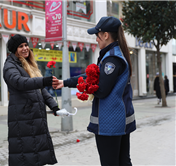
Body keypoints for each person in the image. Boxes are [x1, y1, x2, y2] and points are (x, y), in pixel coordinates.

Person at [55, 16, 136, 165]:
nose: (96, 39)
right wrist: (65, 82)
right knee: (123, 161)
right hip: (117, 121)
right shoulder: (113, 55)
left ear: (106, 35)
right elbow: (95, 78)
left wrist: (89, 89)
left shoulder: (112, 60)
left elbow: (101, 89)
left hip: (110, 124)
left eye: (97, 36)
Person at [3, 34, 60, 166]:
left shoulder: (28, 64)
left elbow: (41, 90)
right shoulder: (10, 66)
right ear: (14, 50)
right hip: (23, 119)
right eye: (20, 46)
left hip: (34, 118)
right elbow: (20, 82)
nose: (25, 48)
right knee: (26, 157)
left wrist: (54, 107)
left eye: (26, 45)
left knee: (37, 155)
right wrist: (43, 80)